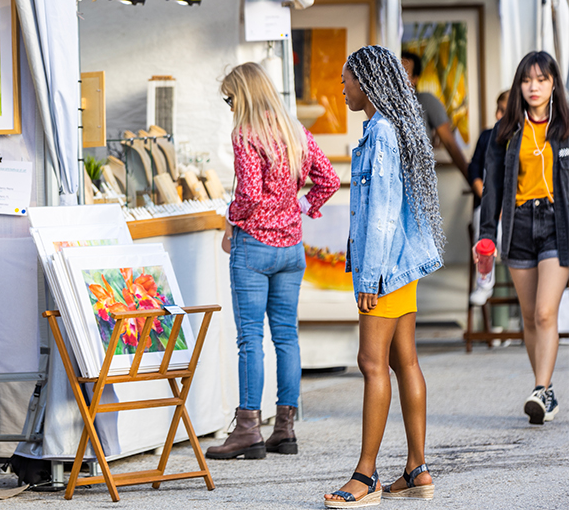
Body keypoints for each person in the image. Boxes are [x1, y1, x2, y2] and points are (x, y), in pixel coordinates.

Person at [325, 45, 445, 508]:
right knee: (404, 361)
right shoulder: (395, 129)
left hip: (386, 267)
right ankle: (417, 469)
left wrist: (370, 278)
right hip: (402, 266)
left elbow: (380, 217)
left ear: (368, 83)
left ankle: (365, 475)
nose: (342, 87)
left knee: (371, 363)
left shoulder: (381, 134)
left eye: (347, 79)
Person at [206, 62, 338, 460]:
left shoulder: (246, 135)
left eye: (230, 99)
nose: (229, 107)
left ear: (243, 96)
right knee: (286, 337)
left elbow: (247, 194)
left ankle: (248, 428)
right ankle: (285, 429)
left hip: (254, 248)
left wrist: (232, 221)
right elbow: (328, 179)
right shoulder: (296, 132)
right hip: (291, 249)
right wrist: (304, 207)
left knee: (250, 339)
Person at [478, 51, 567, 425]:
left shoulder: (565, 127)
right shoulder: (505, 133)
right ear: (519, 86)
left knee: (546, 312)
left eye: (541, 80)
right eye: (528, 80)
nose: (534, 87)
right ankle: (544, 393)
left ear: (552, 84)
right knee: (529, 316)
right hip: (518, 226)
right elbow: (493, 189)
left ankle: (540, 387)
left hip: (557, 225)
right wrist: (486, 235)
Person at [401, 51, 474, 193]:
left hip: (417, 184)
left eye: (405, 73)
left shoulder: (426, 101)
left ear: (415, 79)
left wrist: (473, 183)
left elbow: (450, 143)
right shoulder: (385, 106)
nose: (399, 77)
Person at [467, 90, 509, 306]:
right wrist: (489, 200)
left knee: (509, 236)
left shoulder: (523, 139)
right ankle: (484, 282)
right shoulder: (486, 137)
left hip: (514, 209)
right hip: (486, 205)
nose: (498, 115)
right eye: (498, 109)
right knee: (487, 231)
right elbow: (473, 170)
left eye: (503, 110)